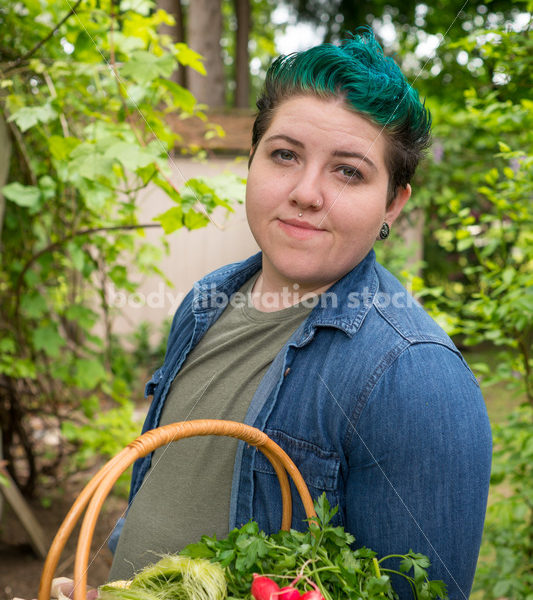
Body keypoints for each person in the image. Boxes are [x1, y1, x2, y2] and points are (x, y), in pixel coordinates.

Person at [106, 27, 492, 599]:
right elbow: (171, 484)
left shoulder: (415, 377)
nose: (306, 192)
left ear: (394, 203)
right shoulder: (205, 302)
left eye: (348, 171)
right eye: (285, 155)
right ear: (252, 161)